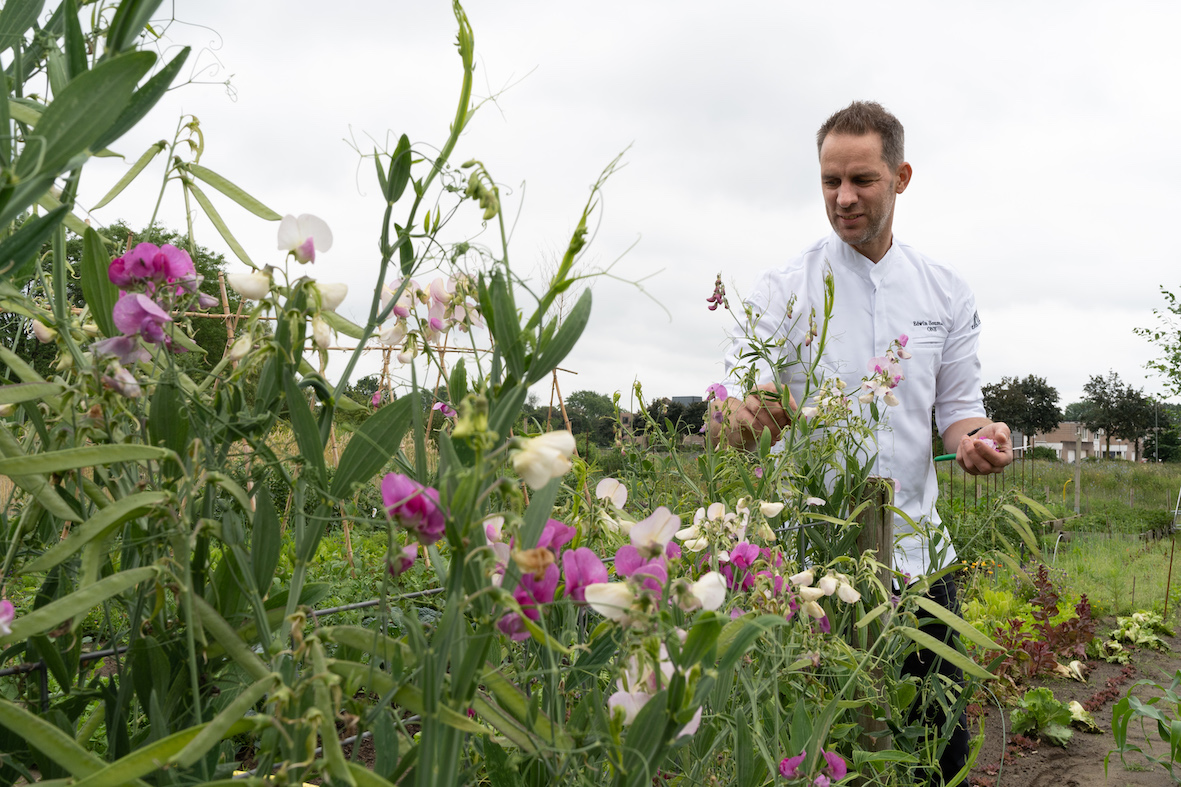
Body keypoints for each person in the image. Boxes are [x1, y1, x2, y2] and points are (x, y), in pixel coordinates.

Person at [710, 100, 1012, 783]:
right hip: (809, 566)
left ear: (899, 177)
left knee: (935, 751)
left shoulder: (944, 292)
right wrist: (743, 417)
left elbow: (960, 415)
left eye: (861, 180)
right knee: (816, 749)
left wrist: (978, 442)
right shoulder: (783, 292)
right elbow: (726, 419)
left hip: (919, 564)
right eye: (828, 181)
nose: (842, 197)